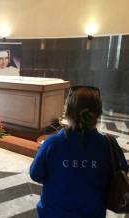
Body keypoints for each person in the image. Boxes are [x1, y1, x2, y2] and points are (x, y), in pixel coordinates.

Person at [30, 86, 128, 218]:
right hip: (93, 213)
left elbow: (35, 174)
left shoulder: (52, 143)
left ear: (68, 111)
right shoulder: (108, 145)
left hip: (53, 213)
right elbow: (122, 172)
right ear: (98, 113)